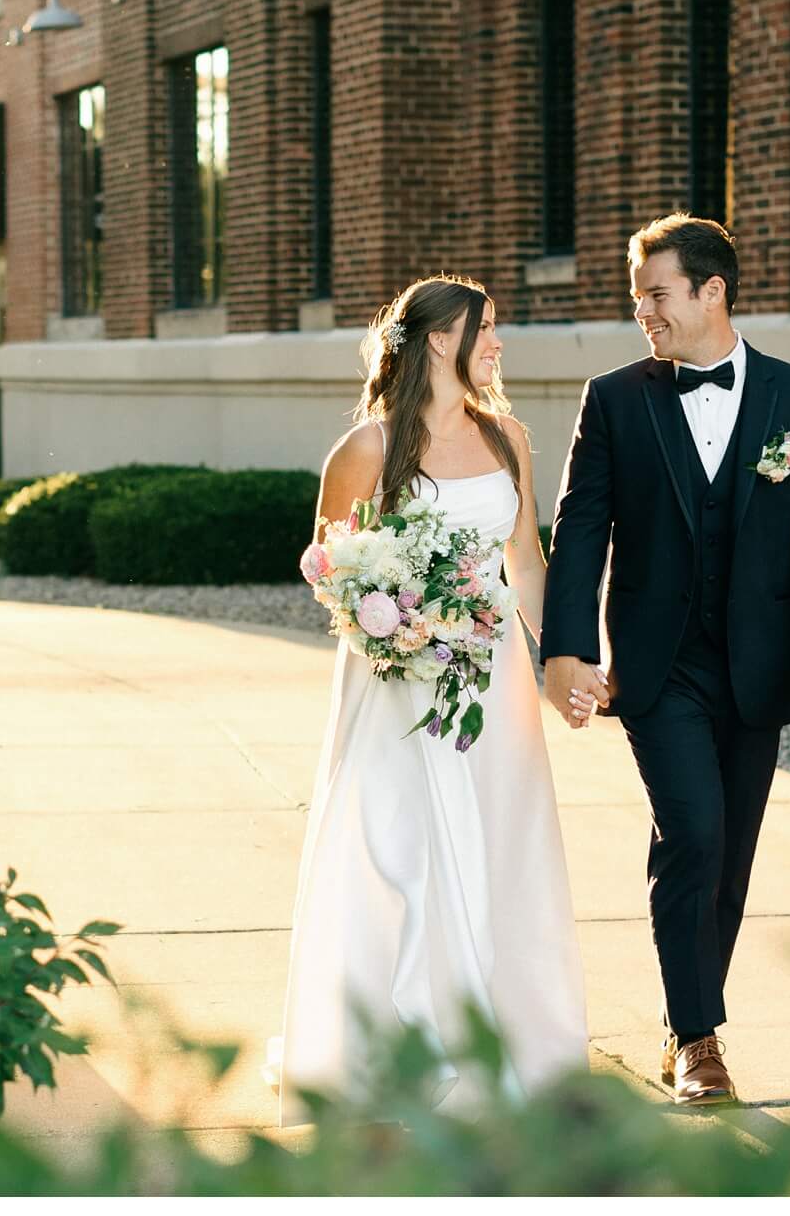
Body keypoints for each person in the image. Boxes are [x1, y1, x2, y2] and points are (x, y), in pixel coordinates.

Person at [542, 214, 790, 1106]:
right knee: (693, 831)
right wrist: (566, 648)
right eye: (638, 297)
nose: (643, 312)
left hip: (758, 667)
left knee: (730, 854)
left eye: (657, 294)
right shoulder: (614, 399)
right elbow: (579, 531)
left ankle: (688, 1014)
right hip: (657, 666)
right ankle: (697, 1038)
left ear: (711, 291)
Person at [267, 274, 591, 1125]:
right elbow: (328, 568)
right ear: (443, 340)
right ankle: (391, 1043)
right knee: (392, 851)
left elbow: (525, 563)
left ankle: (498, 1037)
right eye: (488, 331)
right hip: (395, 686)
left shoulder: (509, 437)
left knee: (498, 845)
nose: (498, 346)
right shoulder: (366, 452)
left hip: (493, 688)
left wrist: (566, 658)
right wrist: (397, 620)